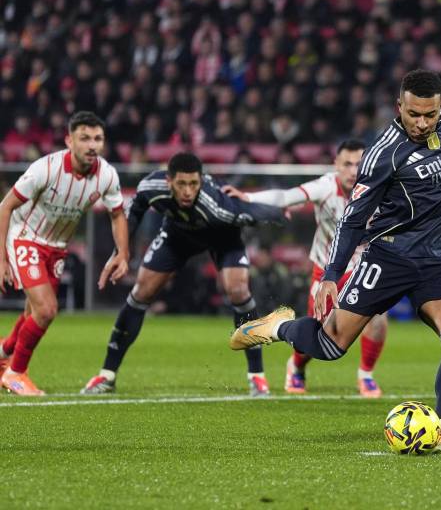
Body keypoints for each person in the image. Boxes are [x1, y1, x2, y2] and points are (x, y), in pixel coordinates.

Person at [229, 69, 441, 452]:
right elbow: (352, 219)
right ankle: (279, 327)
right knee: (331, 346)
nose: (422, 122)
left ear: (440, 108)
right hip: (389, 256)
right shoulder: (384, 153)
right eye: (413, 113)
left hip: (440, 259)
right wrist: (332, 274)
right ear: (400, 106)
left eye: (429, 114)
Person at [81, 152, 286, 396]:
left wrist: (279, 213)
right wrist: (122, 252)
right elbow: (134, 211)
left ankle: (257, 377)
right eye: (181, 184)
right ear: (169, 181)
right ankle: (106, 376)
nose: (188, 191)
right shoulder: (151, 186)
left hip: (222, 236)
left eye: (194, 184)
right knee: (141, 291)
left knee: (238, 290)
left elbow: (252, 213)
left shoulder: (218, 205)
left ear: (201, 180)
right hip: (177, 235)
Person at [223, 139, 389, 397]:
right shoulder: (326, 185)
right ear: (336, 165)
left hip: (363, 270)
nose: (353, 170)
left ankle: (366, 375)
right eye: (347, 164)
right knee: (319, 335)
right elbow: (286, 197)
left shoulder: (380, 188)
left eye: (359, 164)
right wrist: (248, 197)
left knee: (378, 321)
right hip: (327, 272)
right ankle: (297, 366)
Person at [0, 111, 128, 395]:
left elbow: (118, 214)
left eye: (98, 139)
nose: (92, 145)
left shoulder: (106, 174)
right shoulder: (44, 169)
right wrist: (1, 259)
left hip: (56, 247)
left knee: (34, 312)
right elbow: (5, 207)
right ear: (69, 140)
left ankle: (5, 352)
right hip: (25, 237)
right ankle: (16, 374)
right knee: (46, 310)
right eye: (84, 138)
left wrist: (123, 253)